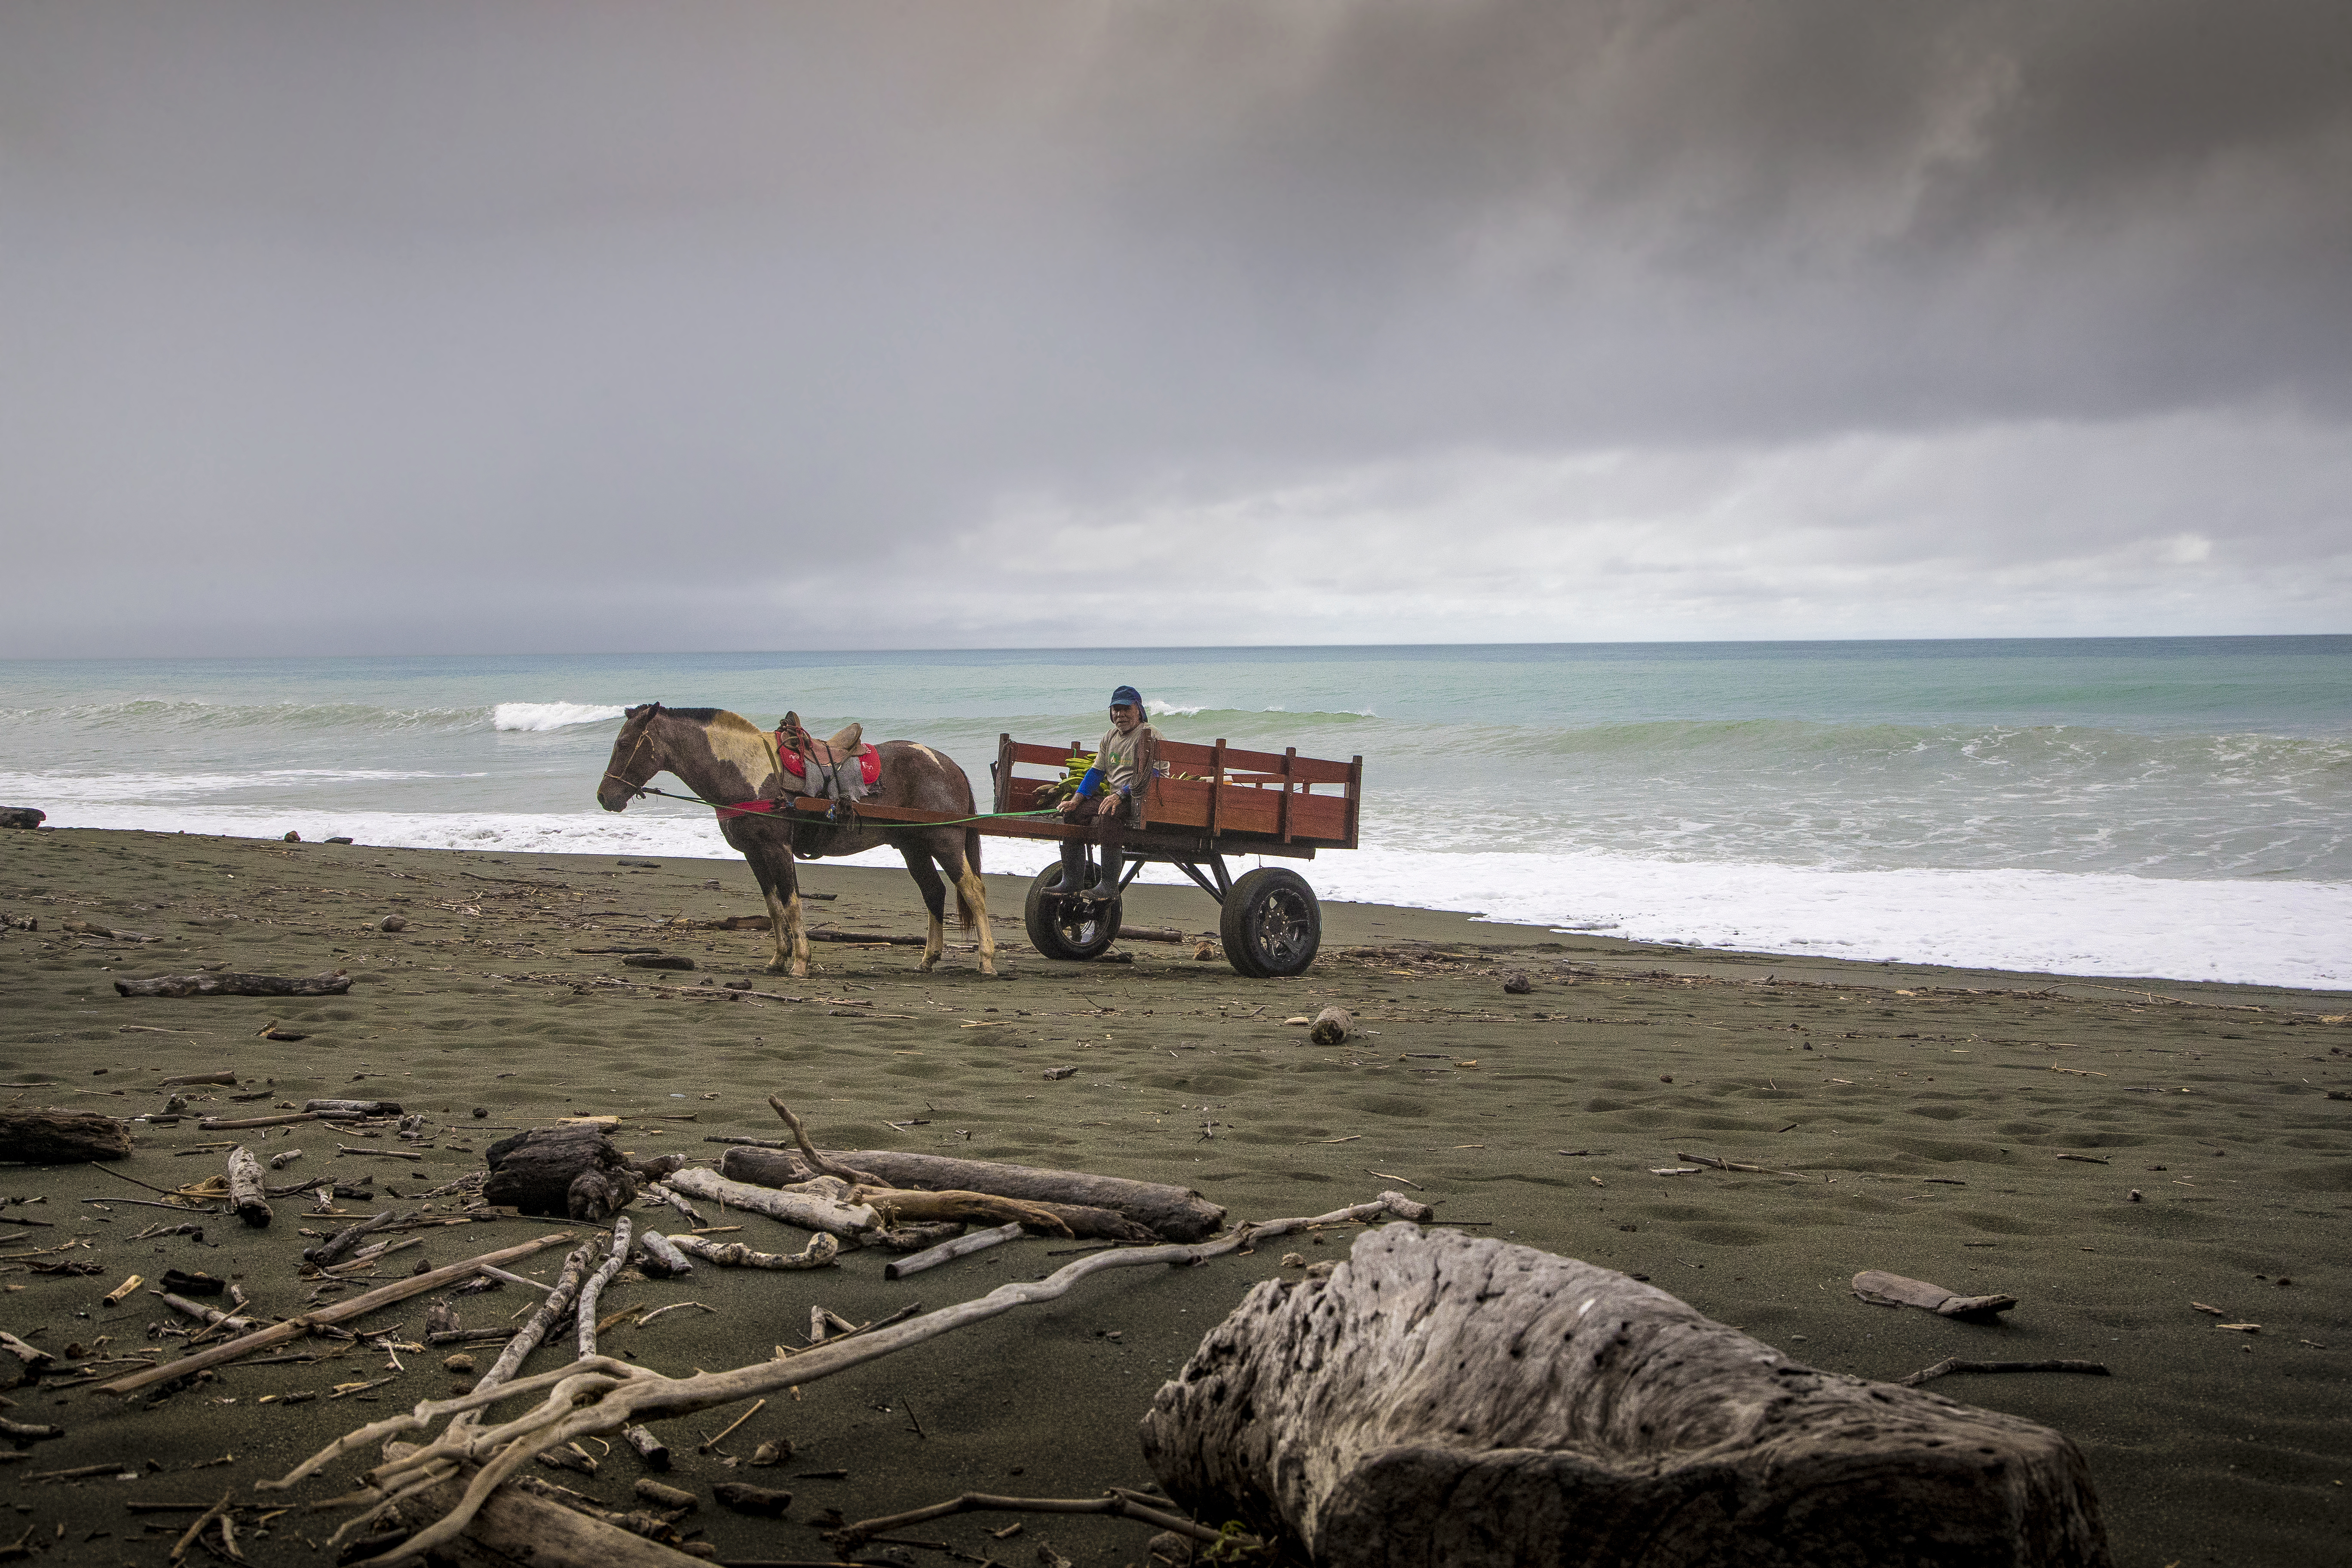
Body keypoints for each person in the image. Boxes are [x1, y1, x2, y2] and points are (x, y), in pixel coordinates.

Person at [1059, 685, 1159, 903]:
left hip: (1143, 797)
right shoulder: (1110, 736)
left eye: (1126, 709)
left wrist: (1121, 795)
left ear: (1139, 710)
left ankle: (1109, 886)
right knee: (1074, 813)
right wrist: (1076, 799)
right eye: (1116, 709)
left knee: (1110, 813)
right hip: (1117, 796)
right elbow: (1096, 772)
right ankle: (1071, 880)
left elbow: (1153, 773)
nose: (1120, 715)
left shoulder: (1149, 734)